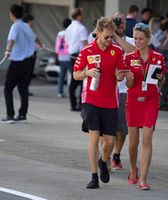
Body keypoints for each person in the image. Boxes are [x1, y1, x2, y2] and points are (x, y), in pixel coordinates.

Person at [73, 17, 126, 189]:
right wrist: (87, 72)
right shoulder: (86, 51)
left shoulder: (117, 51)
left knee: (110, 142)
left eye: (112, 37)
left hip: (110, 101)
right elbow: (76, 74)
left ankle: (104, 162)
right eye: (106, 37)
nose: (109, 40)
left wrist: (121, 75)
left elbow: (119, 74)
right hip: (91, 100)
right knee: (94, 137)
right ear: (98, 33)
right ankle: (94, 176)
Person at [125, 22, 167, 190]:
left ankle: (143, 178)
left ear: (148, 39)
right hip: (133, 101)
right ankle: (132, 168)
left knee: (147, 139)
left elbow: (161, 80)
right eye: (135, 39)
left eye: (141, 39)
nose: (137, 42)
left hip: (150, 101)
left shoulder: (158, 57)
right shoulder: (129, 58)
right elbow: (128, 85)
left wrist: (160, 81)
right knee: (133, 143)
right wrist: (128, 77)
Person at [1, 5, 36, 124]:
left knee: (8, 89)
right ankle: (22, 115)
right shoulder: (26, 26)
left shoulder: (15, 26)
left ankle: (10, 115)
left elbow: (12, 39)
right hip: (27, 62)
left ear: (12, 14)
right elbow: (35, 38)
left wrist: (8, 50)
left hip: (17, 62)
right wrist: (41, 45)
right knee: (23, 89)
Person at [110, 11, 135, 170]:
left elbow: (134, 52)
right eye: (116, 21)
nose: (120, 24)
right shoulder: (104, 40)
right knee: (105, 129)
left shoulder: (131, 41)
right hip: (108, 90)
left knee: (122, 129)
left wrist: (117, 37)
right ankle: (104, 156)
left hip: (125, 90)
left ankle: (116, 156)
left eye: (122, 21)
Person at [65, 8, 88, 111]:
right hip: (79, 55)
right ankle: (80, 104)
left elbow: (67, 42)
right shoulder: (81, 28)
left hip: (71, 56)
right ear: (78, 16)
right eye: (82, 14)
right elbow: (85, 45)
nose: (83, 16)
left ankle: (72, 104)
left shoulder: (69, 28)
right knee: (82, 80)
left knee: (74, 81)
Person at [23, 14, 43, 96]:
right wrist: (40, 44)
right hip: (29, 55)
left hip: (26, 54)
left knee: (26, 73)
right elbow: (35, 38)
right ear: (28, 21)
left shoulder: (22, 28)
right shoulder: (27, 28)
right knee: (28, 73)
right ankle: (24, 89)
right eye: (31, 21)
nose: (32, 23)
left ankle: (24, 89)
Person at [55, 18, 72, 98]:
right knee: (73, 75)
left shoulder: (60, 33)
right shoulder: (70, 33)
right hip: (68, 56)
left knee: (61, 75)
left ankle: (59, 92)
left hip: (61, 56)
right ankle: (71, 91)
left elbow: (57, 46)